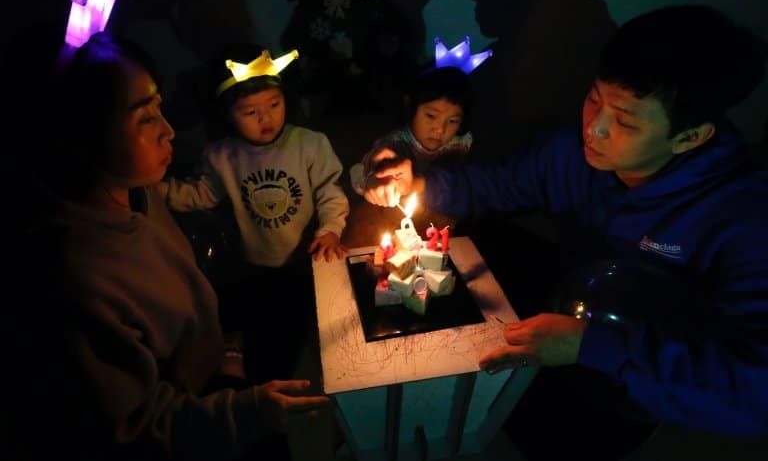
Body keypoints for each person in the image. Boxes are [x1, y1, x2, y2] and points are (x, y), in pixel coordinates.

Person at [362, 5, 768, 458]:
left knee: (557, 436)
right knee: (475, 250)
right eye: (594, 98)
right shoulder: (571, 152)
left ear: (689, 137)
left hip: (640, 361)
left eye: (625, 120)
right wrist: (418, 183)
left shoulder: (743, 217)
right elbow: (501, 184)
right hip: (572, 293)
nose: (593, 128)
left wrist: (593, 347)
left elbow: (756, 390)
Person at [6, 32, 329, 461]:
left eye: (160, 107)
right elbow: (137, 427)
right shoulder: (78, 277)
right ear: (77, 133)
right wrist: (242, 411)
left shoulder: (138, 192)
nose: (169, 131)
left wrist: (228, 354)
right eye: (145, 117)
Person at [160, 44, 349, 380]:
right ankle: (238, 357)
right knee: (242, 312)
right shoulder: (223, 156)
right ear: (228, 115)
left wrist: (330, 230)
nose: (266, 118)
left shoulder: (309, 144)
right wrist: (157, 191)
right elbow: (204, 193)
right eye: (250, 112)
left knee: (287, 331)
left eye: (274, 105)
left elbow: (330, 193)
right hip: (251, 262)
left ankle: (274, 374)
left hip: (302, 262)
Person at [342, 65, 474, 247]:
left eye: (452, 121)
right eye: (431, 116)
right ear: (411, 107)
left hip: (439, 220)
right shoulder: (394, 144)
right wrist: (371, 181)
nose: (440, 129)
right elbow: (360, 171)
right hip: (391, 217)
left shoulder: (462, 143)